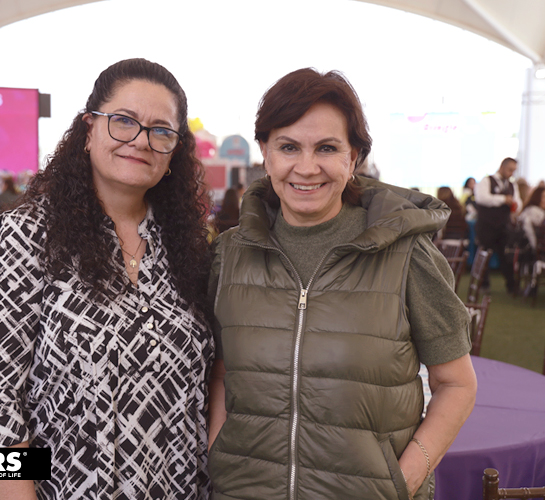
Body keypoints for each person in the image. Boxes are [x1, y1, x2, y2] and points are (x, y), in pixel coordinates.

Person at [207, 68, 477, 500]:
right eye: (289, 147)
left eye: (327, 148)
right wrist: (218, 453)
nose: (307, 167)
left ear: (354, 158)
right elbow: (221, 374)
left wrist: (399, 484)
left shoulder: (408, 255)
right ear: (266, 153)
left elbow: (457, 384)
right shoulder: (229, 254)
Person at [0, 58, 213, 500]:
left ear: (175, 151)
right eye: (123, 121)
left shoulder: (189, 247)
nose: (141, 140)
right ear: (88, 129)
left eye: (161, 130)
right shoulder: (27, 235)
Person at [474, 158, 522, 293]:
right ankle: (483, 285)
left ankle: (511, 286)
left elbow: (518, 202)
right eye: (510, 170)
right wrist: (503, 199)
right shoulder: (486, 181)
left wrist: (515, 205)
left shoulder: (513, 186)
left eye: (514, 170)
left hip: (504, 227)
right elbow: (482, 198)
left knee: (506, 256)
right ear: (502, 167)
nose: (512, 173)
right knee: (485, 255)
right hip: (486, 226)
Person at [517, 186, 545, 252]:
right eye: (543, 197)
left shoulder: (528, 210)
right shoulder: (535, 212)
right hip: (534, 252)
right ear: (537, 197)